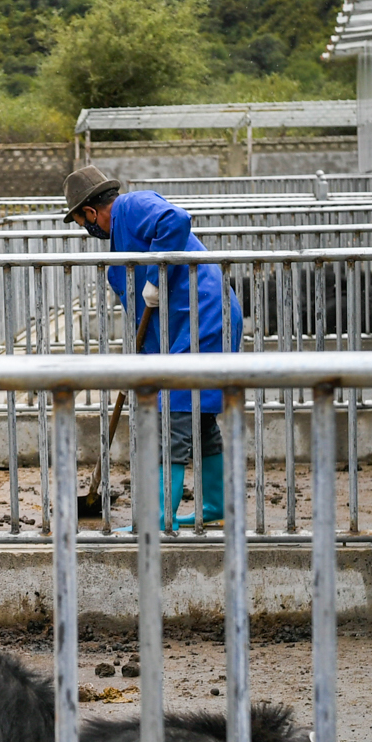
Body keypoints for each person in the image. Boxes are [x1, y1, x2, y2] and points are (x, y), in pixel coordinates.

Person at [63, 164, 242, 528]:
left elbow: (176, 220)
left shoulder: (133, 205)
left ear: (91, 211)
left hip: (203, 316)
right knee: (198, 418)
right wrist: (144, 363)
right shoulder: (121, 242)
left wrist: (157, 273)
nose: (86, 229)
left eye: (82, 222)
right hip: (188, 325)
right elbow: (143, 314)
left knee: (171, 416)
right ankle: (217, 507)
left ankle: (158, 519)